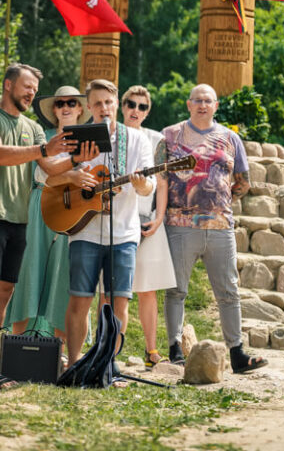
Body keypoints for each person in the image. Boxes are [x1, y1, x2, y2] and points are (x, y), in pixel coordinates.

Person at [0, 63, 88, 391]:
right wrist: (45, 149)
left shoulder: (33, 128)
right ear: (8, 85)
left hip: (20, 219)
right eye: (27, 86)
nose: (32, 93)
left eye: (34, 88)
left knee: (4, 292)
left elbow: (48, 169)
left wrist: (76, 160)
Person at [158, 84, 267, 373]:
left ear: (216, 105)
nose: (202, 105)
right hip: (179, 225)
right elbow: (158, 178)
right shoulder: (169, 136)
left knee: (228, 291)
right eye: (197, 100)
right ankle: (174, 349)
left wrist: (220, 201)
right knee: (176, 290)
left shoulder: (231, 138)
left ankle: (237, 353)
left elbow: (243, 181)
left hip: (221, 227)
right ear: (188, 104)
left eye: (208, 100)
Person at [56, 79, 155, 370]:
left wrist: (141, 185)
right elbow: (52, 175)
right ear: (88, 107)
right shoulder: (76, 137)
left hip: (123, 233)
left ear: (116, 105)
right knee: (79, 300)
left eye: (108, 102)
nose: (104, 108)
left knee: (117, 303)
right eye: (97, 103)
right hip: (83, 230)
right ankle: (74, 364)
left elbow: (149, 186)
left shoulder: (135, 140)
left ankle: (105, 365)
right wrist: (73, 177)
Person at [6, 85, 92, 339]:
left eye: (71, 103)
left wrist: (72, 179)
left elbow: (91, 176)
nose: (65, 107)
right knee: (29, 270)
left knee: (63, 275)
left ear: (80, 109)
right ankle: (17, 343)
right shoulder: (41, 136)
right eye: (60, 103)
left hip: (75, 214)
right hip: (39, 207)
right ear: (53, 110)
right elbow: (42, 173)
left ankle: (61, 352)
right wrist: (72, 176)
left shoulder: (89, 142)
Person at [120, 85, 176, 367]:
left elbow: (162, 183)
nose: (136, 111)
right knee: (113, 291)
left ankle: (152, 351)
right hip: (116, 218)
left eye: (142, 107)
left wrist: (159, 218)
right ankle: (111, 349)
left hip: (148, 219)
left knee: (147, 289)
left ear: (148, 111)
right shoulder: (113, 135)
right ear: (122, 105)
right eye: (131, 104)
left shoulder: (157, 140)